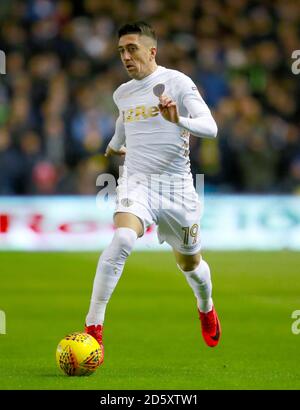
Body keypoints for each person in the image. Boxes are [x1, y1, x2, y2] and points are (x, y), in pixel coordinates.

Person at [84, 21, 221, 362]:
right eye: (120, 51)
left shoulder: (178, 82)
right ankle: (93, 330)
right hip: (138, 182)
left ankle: (205, 307)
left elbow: (212, 128)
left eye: (132, 49)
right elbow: (123, 118)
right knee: (123, 240)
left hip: (177, 189)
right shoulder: (122, 92)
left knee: (191, 265)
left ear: (151, 51)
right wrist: (115, 144)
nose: (126, 57)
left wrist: (178, 121)